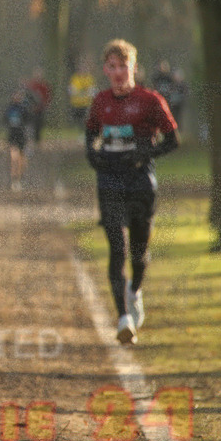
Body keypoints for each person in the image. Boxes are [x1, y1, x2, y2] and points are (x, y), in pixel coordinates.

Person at [85, 39, 179, 345]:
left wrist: (143, 154)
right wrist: (92, 154)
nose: (117, 72)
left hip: (140, 183)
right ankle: (123, 318)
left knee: (138, 254)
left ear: (133, 67)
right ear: (105, 70)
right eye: (111, 67)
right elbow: (90, 134)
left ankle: (135, 290)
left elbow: (171, 140)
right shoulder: (100, 101)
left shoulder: (150, 100)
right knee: (117, 249)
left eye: (123, 66)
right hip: (110, 181)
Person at [4, 89, 31, 192]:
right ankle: (13, 180)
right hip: (12, 136)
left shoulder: (25, 109)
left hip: (22, 136)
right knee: (12, 158)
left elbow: (29, 123)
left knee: (21, 160)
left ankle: (19, 178)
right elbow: (5, 121)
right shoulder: (9, 109)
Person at [23, 67, 51, 144]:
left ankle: (37, 141)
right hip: (31, 109)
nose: (38, 75)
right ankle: (30, 140)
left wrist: (46, 105)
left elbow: (47, 97)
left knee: (39, 125)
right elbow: (27, 95)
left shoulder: (44, 85)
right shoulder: (31, 84)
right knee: (31, 124)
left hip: (40, 109)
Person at [67, 59, 98, 127]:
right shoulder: (74, 78)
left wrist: (81, 92)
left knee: (86, 121)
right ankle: (75, 134)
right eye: (81, 69)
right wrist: (84, 92)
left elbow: (93, 91)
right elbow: (71, 91)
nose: (83, 70)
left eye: (84, 68)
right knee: (76, 122)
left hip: (86, 104)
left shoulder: (90, 79)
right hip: (76, 104)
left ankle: (83, 133)